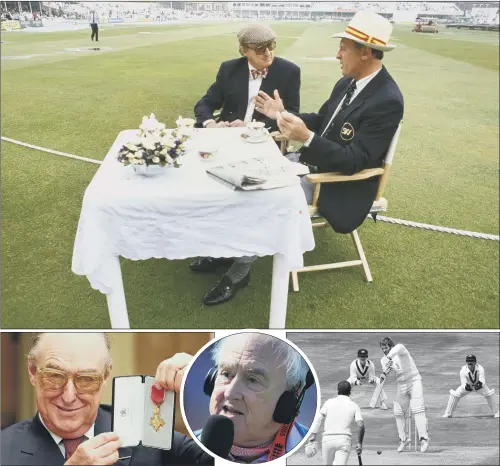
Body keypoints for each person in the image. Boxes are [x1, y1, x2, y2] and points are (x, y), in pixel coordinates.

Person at [255, 10, 404, 234]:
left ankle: (238, 266)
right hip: (307, 165)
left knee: (261, 196)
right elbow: (322, 120)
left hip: (334, 184)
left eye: (343, 48)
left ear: (365, 52)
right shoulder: (348, 82)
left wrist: (307, 138)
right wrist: (281, 114)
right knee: (253, 177)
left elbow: (353, 161)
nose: (337, 55)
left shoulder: (387, 101)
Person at [1, 333, 213, 465]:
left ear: (105, 376)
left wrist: (204, 386)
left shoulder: (146, 434)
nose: (68, 396)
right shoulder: (4, 449)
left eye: (86, 379)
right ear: (32, 371)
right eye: (54, 376)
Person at [197, 333, 312, 463]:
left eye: (252, 380)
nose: (230, 393)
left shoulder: (313, 452)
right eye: (226, 374)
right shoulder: (181, 448)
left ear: (290, 397)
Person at [193, 23, 300, 131]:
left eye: (270, 45)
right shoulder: (229, 69)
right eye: (260, 49)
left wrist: (251, 127)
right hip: (229, 134)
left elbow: (293, 114)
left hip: (265, 138)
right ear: (244, 51)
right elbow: (205, 103)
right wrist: (210, 124)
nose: (268, 53)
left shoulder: (289, 71)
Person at [379, 337, 430, 453]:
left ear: (391, 346)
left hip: (414, 381)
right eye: (382, 349)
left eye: (386, 347)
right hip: (401, 385)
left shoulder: (400, 350)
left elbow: (397, 348)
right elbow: (388, 370)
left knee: (417, 408)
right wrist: (386, 370)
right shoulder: (384, 360)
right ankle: (404, 439)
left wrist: (389, 358)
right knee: (398, 411)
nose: (384, 350)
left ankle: (424, 439)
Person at [304, 380, 364, 465]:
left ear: (338, 391)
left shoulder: (329, 403)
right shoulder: (354, 405)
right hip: (344, 440)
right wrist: (359, 443)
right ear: (350, 392)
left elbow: (318, 418)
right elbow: (360, 425)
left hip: (327, 440)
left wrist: (313, 434)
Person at [442, 354, 499, 418]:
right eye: (468, 361)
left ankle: (496, 412)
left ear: (475, 362)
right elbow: (463, 383)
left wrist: (478, 386)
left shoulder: (480, 369)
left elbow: (482, 381)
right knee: (455, 394)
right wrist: (466, 387)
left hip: (479, 386)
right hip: (468, 386)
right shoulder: (463, 371)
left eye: (471, 361)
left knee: (489, 394)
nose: (470, 362)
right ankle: (448, 413)